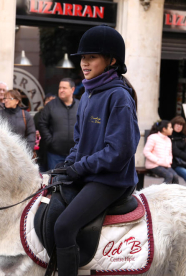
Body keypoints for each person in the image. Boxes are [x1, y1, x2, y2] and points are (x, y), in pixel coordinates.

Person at [53, 25, 140, 275]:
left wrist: (79, 168)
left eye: (92, 57)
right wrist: (67, 165)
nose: (84, 63)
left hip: (111, 180)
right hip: (89, 173)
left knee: (64, 227)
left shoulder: (119, 97)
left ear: (112, 60)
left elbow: (119, 152)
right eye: (83, 57)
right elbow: (80, 142)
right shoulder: (88, 94)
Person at [38, 78, 79, 170]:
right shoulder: (51, 105)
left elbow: (85, 126)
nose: (61, 90)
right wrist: (51, 141)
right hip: (54, 154)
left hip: (75, 154)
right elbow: (42, 124)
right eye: (60, 88)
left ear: (72, 89)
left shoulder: (80, 106)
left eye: (64, 88)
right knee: (55, 181)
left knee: (73, 182)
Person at [170, 116, 186, 181]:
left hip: (183, 162)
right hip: (174, 164)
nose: (179, 126)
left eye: (181, 125)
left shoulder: (184, 137)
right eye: (177, 124)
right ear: (173, 124)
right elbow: (174, 150)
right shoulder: (169, 136)